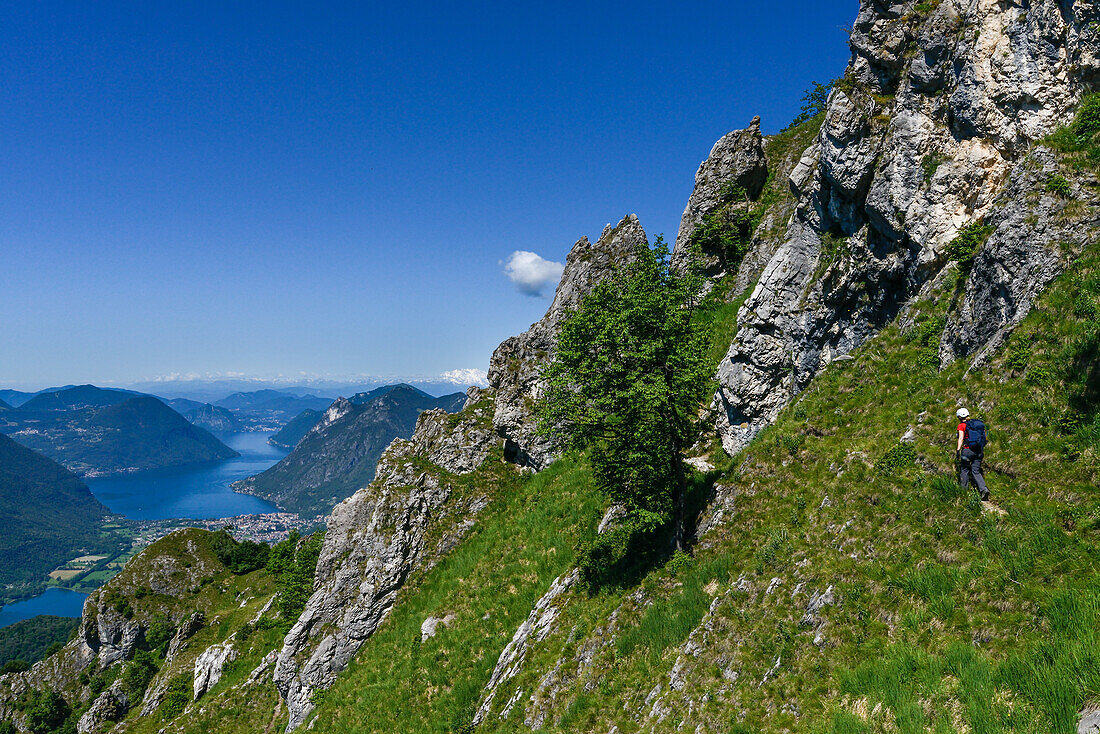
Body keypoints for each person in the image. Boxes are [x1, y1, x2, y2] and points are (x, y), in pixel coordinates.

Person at [956, 407, 989, 501]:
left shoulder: (962, 425)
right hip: (978, 451)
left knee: (964, 470)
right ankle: (983, 489)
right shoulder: (976, 424)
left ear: (959, 416)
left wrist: (958, 450)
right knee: (976, 471)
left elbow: (961, 438)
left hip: (967, 450)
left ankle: (963, 492)